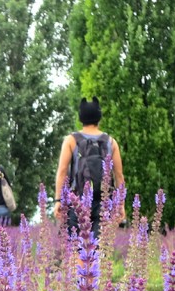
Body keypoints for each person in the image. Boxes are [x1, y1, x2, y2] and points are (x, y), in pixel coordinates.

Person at [52, 97, 125, 238]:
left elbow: (62, 172)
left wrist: (58, 201)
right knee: (100, 249)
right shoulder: (111, 142)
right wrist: (120, 204)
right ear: (99, 117)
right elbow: (119, 176)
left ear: (81, 117)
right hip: (104, 202)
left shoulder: (71, 140)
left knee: (76, 248)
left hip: (76, 201)